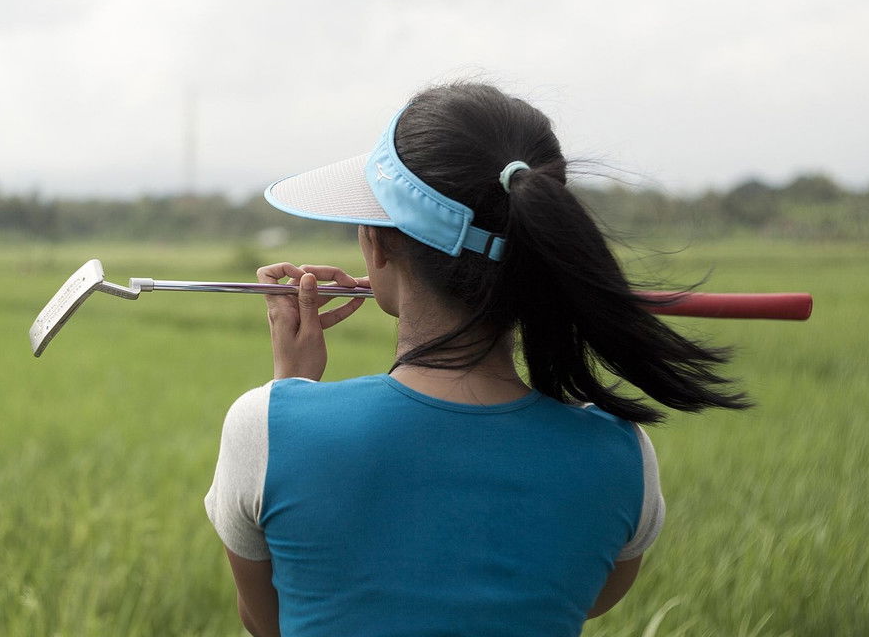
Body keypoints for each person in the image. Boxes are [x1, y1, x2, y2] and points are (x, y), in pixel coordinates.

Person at [204, 82, 749, 637]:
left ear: (378, 243)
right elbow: (575, 599)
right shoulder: (623, 455)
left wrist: (289, 393)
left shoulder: (267, 427)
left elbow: (269, 621)